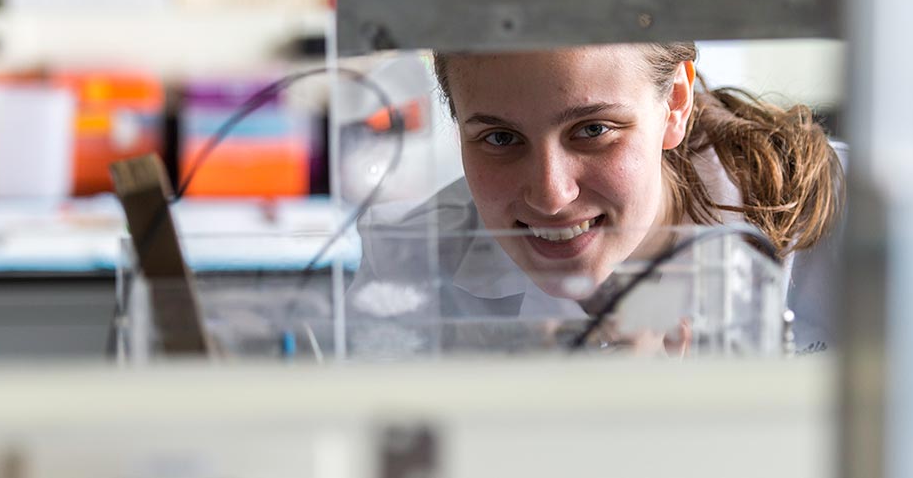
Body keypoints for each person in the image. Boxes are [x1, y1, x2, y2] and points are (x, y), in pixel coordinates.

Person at [348, 43, 844, 354]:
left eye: (593, 129)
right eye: (500, 138)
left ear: (675, 104)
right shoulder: (407, 266)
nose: (551, 195)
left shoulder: (853, 219)